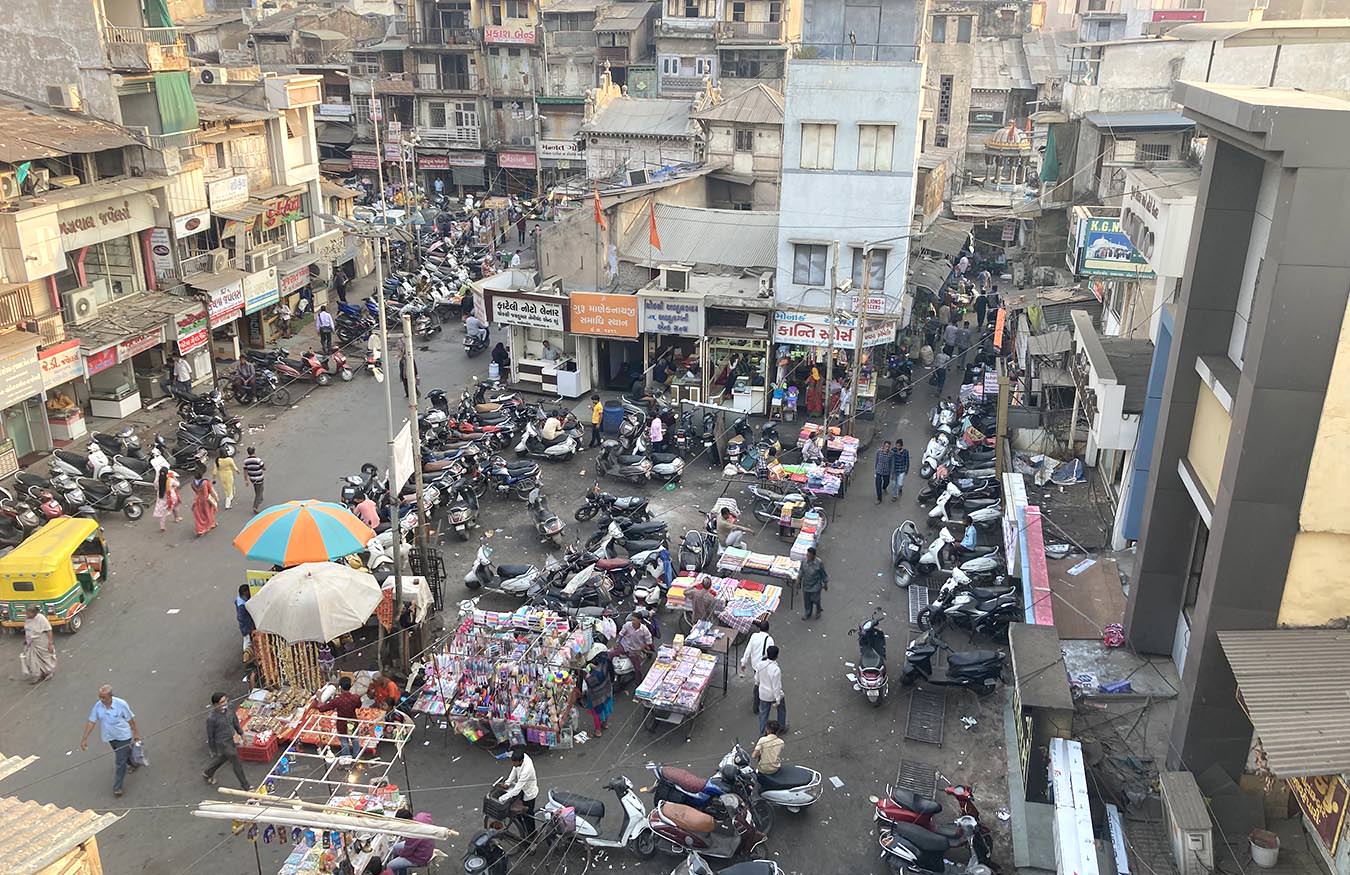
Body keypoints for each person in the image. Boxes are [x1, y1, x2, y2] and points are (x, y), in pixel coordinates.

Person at [80, 685, 140, 798]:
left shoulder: (121, 704)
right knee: (123, 754)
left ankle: (118, 787)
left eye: (103, 697)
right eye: (100, 697)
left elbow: (130, 720)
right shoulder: (98, 706)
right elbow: (91, 721)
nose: (101, 700)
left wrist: (136, 733)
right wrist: (84, 738)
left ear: (110, 696)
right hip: (110, 737)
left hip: (123, 736)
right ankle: (134, 763)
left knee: (120, 761)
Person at [202, 692, 250, 789]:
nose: (225, 703)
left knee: (224, 757)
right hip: (223, 743)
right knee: (236, 762)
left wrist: (242, 734)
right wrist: (213, 749)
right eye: (222, 702)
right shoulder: (211, 719)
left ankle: (208, 772)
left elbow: (235, 723)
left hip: (231, 739)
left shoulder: (229, 710)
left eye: (226, 700)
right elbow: (210, 735)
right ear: (215, 704)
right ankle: (246, 786)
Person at [314, 676, 362, 758]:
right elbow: (359, 705)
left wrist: (319, 697)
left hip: (342, 724)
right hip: (352, 722)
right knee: (354, 739)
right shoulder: (355, 698)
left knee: (344, 742)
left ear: (340, 687)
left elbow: (321, 708)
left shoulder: (337, 700)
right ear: (350, 686)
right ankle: (357, 755)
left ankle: (346, 757)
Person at [498, 747, 538, 838]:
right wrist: (507, 783)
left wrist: (502, 798)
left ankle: (532, 834)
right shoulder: (519, 759)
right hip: (522, 790)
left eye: (514, 763)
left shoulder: (526, 770)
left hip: (529, 793)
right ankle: (522, 829)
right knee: (518, 814)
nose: (513, 764)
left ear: (521, 761)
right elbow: (514, 769)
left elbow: (516, 791)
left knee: (528, 816)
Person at [738, 619, 774, 715]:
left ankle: (757, 696)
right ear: (768, 629)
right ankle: (757, 703)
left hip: (755, 665)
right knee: (760, 684)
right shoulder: (770, 640)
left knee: (758, 681)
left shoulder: (754, 636)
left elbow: (748, 650)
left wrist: (743, 663)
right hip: (764, 666)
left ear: (759, 628)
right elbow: (771, 655)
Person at [581, 646, 614, 737]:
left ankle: (598, 731)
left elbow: (589, 682)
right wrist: (592, 666)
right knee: (606, 708)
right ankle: (605, 724)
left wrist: (585, 675)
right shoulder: (606, 663)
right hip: (607, 691)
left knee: (596, 713)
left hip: (597, 697)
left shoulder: (595, 675)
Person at [755, 645, 786, 735]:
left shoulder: (760, 664)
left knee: (763, 714)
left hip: (763, 694)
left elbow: (757, 678)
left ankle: (763, 733)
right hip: (772, 694)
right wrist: (777, 699)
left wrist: (758, 683)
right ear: (776, 656)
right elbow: (776, 686)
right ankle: (781, 727)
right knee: (781, 709)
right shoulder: (776, 669)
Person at [20, 604, 56, 683]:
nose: (27, 615)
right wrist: (26, 640)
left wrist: (50, 643)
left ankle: (48, 672)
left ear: (35, 613)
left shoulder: (41, 618)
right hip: (30, 642)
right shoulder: (27, 618)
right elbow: (27, 630)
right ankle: (37, 674)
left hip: (41, 641)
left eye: (29, 613)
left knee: (44, 658)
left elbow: (49, 630)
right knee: (31, 659)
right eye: (27, 613)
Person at [798, 546, 828, 620]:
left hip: (815, 585)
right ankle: (808, 613)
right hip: (806, 585)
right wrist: (799, 579)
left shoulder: (819, 563)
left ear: (813, 555)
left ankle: (818, 610)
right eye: (807, 555)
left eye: (809, 555)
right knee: (807, 601)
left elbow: (823, 574)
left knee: (815, 599)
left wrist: (825, 583)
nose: (807, 557)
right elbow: (801, 570)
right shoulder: (804, 561)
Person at [154, 466, 182, 533]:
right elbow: (178, 484)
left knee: (162, 512)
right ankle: (177, 518)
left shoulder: (157, 481)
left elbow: (156, 488)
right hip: (171, 497)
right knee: (175, 506)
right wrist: (174, 477)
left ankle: (162, 526)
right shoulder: (170, 480)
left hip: (161, 498)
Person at [190, 469, 218, 537]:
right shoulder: (205, 482)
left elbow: (195, 491)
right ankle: (211, 524)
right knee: (209, 512)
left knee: (199, 515)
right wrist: (216, 497)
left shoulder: (193, 483)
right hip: (206, 499)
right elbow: (211, 490)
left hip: (198, 500)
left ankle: (200, 529)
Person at [243, 447, 266, 514]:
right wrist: (264, 468)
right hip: (259, 478)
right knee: (259, 492)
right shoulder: (258, 460)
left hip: (252, 479)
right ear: (254, 452)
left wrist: (246, 480)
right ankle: (255, 506)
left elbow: (245, 471)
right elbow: (263, 467)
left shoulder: (245, 461)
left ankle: (260, 499)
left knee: (256, 488)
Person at [235, 584, 255, 652]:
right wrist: (250, 627)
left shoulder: (239, 599)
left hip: (245, 625)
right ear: (244, 593)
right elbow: (241, 618)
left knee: (248, 639)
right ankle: (246, 653)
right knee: (247, 640)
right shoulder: (242, 606)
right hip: (246, 626)